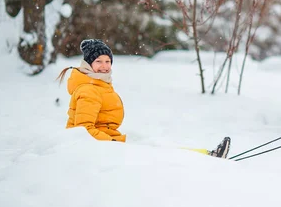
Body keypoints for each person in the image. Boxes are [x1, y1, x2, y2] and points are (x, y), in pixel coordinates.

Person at [57, 39, 231, 158]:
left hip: (108, 141)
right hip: (100, 148)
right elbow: (82, 131)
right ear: (88, 64)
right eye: (98, 62)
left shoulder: (98, 84)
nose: (104, 66)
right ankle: (208, 157)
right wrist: (114, 143)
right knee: (157, 151)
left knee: (158, 146)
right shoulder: (89, 90)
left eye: (107, 61)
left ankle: (207, 155)